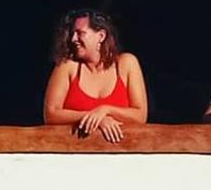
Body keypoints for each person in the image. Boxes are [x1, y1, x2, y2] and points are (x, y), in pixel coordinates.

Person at [43, 9, 148, 142]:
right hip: (76, 151)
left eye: (80, 33)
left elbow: (140, 115)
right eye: (72, 34)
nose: (73, 39)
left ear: (101, 36)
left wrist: (105, 110)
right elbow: (51, 114)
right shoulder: (67, 66)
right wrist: (95, 118)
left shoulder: (127, 63)